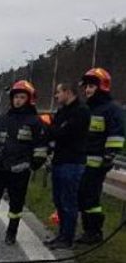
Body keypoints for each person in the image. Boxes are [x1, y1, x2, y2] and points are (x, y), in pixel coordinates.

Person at [0, 80, 48, 245]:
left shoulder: (35, 121)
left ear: (29, 99)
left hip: (20, 169)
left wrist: (34, 164)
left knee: (16, 203)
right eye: (16, 97)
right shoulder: (4, 119)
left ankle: (11, 234)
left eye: (21, 97)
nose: (18, 100)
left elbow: (41, 146)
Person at [76, 68, 125, 244]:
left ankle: (95, 231)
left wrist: (109, 156)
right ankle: (88, 230)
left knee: (91, 197)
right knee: (82, 196)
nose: (88, 90)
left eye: (91, 86)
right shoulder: (87, 108)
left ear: (102, 86)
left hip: (98, 163)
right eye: (87, 86)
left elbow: (117, 134)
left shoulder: (112, 109)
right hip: (82, 161)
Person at [44, 83, 90, 249]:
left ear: (68, 92)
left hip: (72, 162)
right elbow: (54, 132)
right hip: (60, 160)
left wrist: (51, 128)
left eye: (58, 93)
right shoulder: (63, 111)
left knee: (68, 201)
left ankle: (67, 237)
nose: (56, 96)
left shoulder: (81, 111)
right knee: (58, 200)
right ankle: (61, 234)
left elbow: (63, 133)